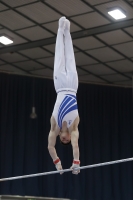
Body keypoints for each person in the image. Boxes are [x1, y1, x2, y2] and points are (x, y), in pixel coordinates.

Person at [48, 16, 80, 175]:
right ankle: (67, 30)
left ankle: (60, 29)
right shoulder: (74, 127)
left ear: (60, 136)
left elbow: (50, 146)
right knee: (70, 57)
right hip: (73, 87)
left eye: (63, 140)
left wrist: (57, 163)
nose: (65, 139)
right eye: (66, 141)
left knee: (60, 57)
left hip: (60, 86)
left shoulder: (55, 125)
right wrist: (76, 162)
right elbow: (75, 146)